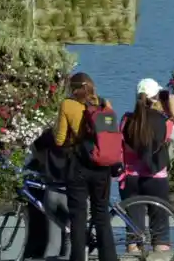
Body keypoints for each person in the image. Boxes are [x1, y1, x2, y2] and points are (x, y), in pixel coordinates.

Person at [54, 72, 119, 261]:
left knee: (78, 217)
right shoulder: (103, 104)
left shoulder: (68, 105)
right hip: (102, 166)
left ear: (73, 89)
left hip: (79, 166)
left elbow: (59, 140)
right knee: (101, 215)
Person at [120, 78, 174, 254]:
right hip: (156, 179)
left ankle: (134, 251)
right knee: (160, 230)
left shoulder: (126, 120)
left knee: (134, 230)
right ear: (156, 98)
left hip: (131, 179)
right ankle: (160, 253)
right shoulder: (163, 122)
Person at [27, 126, 71, 259]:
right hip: (70, 193)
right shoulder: (77, 136)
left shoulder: (51, 133)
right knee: (72, 240)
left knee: (53, 243)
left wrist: (44, 163)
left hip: (51, 192)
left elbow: (34, 146)